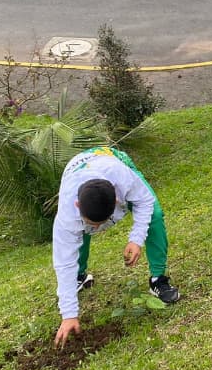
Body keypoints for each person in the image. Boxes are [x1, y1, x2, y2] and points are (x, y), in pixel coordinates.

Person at [52, 147, 180, 348]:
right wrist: (69, 315)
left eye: (101, 223)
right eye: (92, 223)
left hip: (111, 158)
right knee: (78, 233)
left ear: (118, 201)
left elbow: (145, 201)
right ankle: (81, 276)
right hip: (77, 166)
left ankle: (158, 279)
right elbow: (63, 262)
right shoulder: (67, 213)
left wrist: (136, 238)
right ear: (77, 205)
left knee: (154, 216)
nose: (97, 228)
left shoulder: (123, 178)